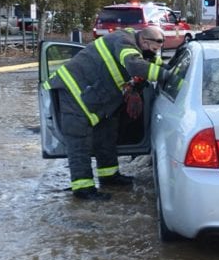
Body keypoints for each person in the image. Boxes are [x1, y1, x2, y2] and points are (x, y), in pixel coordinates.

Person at [45, 26, 166, 201]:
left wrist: (169, 67)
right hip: (72, 91)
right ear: (145, 42)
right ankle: (83, 189)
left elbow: (148, 62)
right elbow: (134, 64)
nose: (154, 53)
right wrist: (165, 75)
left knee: (106, 133)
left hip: (94, 95)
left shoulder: (134, 41)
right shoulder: (125, 42)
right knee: (79, 142)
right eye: (154, 49)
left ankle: (109, 176)